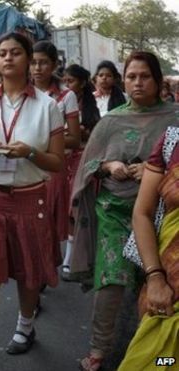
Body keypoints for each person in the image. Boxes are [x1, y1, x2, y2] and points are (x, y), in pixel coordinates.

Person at [0, 32, 65, 371]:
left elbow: (57, 162)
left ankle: (25, 326)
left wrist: (29, 152)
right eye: (2, 53)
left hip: (29, 198)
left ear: (28, 59)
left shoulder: (49, 107)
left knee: (28, 274)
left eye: (15, 53)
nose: (7, 59)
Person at [69, 51, 176, 371]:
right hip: (114, 211)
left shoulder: (175, 120)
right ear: (122, 81)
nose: (138, 83)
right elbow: (88, 163)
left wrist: (155, 172)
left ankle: (158, 355)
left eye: (145, 76)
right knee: (111, 280)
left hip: (162, 216)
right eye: (131, 77)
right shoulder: (111, 120)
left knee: (160, 287)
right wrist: (108, 165)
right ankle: (100, 350)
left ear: (158, 81)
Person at [118, 125, 179, 370]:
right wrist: (155, 278)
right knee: (159, 360)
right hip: (169, 289)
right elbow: (142, 213)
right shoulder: (172, 142)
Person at [31, 40, 81, 273]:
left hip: (51, 167)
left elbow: (74, 138)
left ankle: (44, 268)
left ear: (53, 66)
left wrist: (42, 144)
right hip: (24, 165)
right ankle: (37, 269)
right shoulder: (21, 91)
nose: (37, 68)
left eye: (43, 63)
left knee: (47, 222)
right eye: (33, 63)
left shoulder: (65, 96)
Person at [62, 64, 101, 280]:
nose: (67, 85)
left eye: (71, 81)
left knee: (74, 207)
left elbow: (94, 135)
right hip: (61, 160)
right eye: (65, 81)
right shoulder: (58, 101)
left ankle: (71, 258)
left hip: (81, 160)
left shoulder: (89, 107)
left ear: (83, 83)